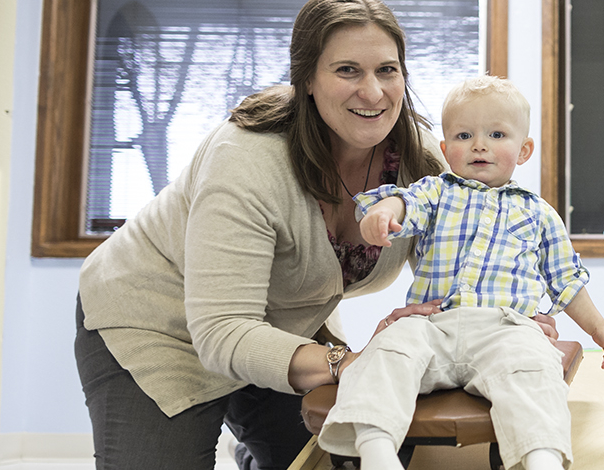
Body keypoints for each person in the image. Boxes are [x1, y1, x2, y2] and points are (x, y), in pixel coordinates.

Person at [74, 1, 453, 468]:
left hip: (275, 326)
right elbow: (222, 330)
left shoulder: (420, 163)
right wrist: (343, 363)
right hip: (160, 322)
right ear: (307, 80)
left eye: (387, 70)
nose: (373, 92)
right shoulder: (246, 160)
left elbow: (457, 271)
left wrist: (503, 324)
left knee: (333, 457)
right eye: (348, 70)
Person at [316, 76, 604, 470]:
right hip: (432, 324)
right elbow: (403, 203)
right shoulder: (436, 192)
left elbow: (566, 280)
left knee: (533, 368)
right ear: (445, 149)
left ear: (524, 149)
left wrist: (598, 329)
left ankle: (540, 456)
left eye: (496, 134)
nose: (479, 144)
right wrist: (382, 213)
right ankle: (376, 448)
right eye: (464, 135)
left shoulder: (539, 213)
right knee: (386, 352)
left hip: (507, 327)